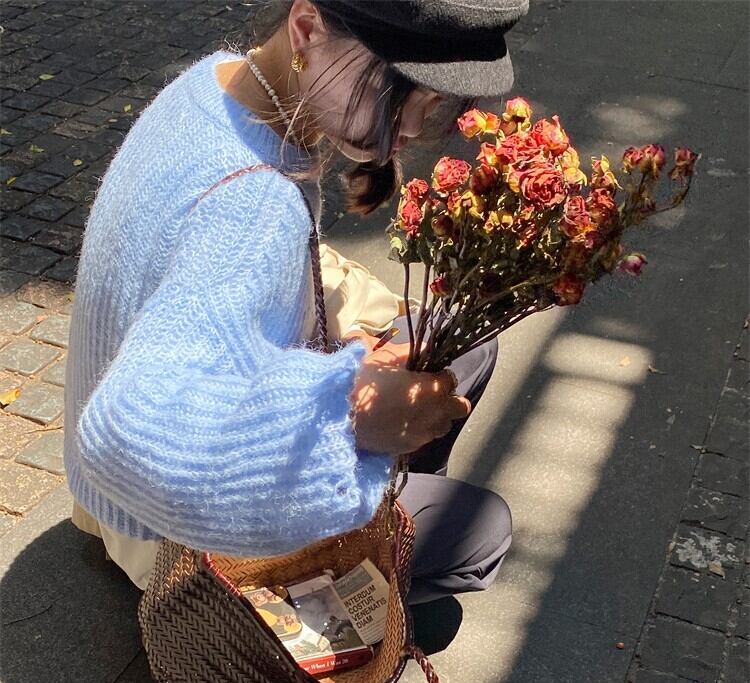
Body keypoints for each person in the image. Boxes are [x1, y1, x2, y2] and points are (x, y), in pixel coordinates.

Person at [65, 0, 527, 605]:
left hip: (107, 497)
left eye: (434, 102)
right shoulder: (254, 206)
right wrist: (351, 417)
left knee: (462, 341)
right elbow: (125, 433)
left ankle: (389, 500)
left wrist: (347, 346)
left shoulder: (212, 84)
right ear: (306, 28)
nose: (414, 126)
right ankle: (345, 573)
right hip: (174, 537)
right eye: (400, 91)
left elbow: (224, 283)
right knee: (482, 529)